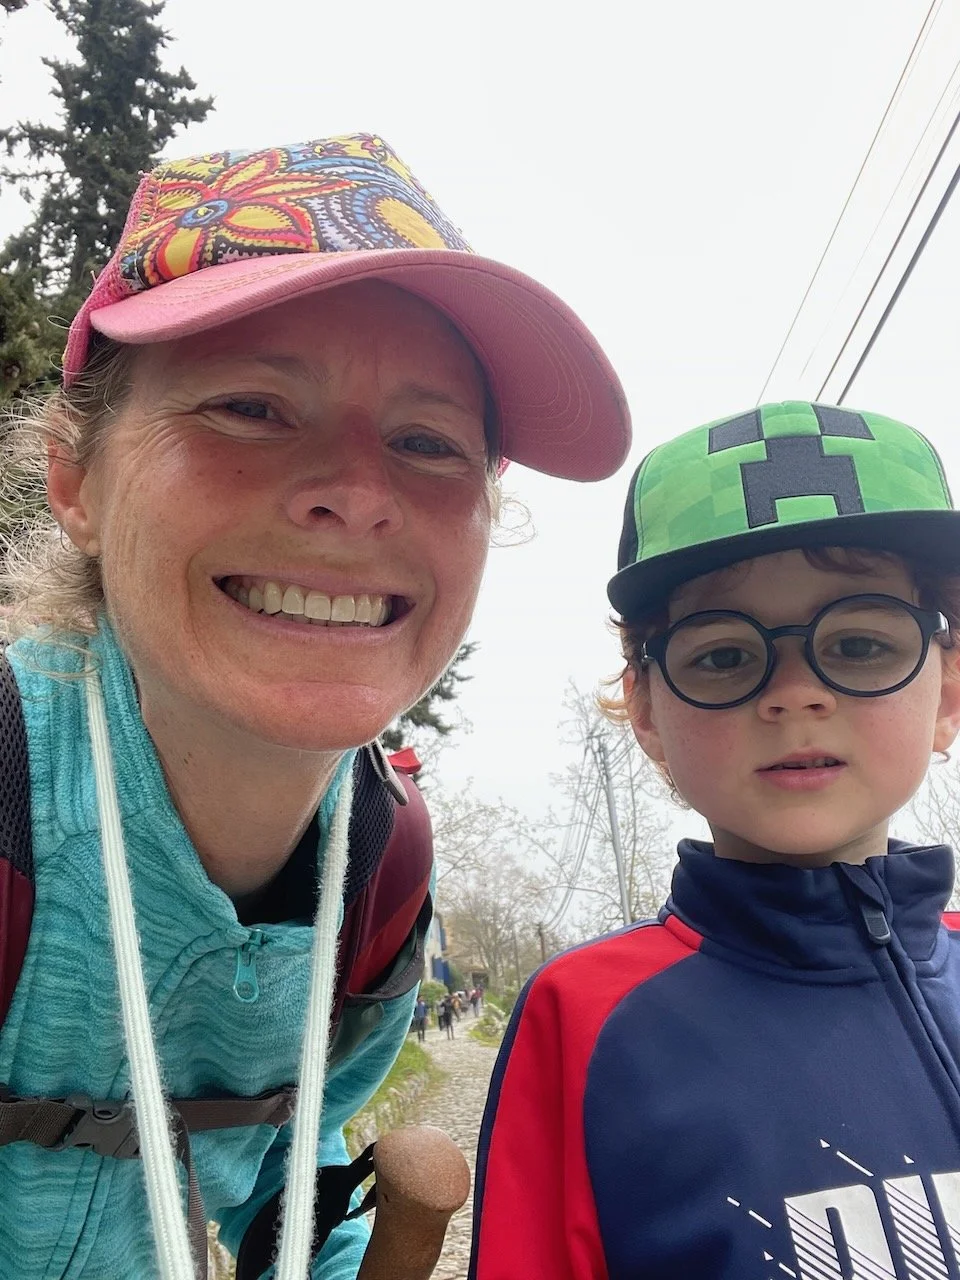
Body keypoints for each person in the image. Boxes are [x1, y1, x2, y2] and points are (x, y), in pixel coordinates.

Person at [0, 132, 630, 1280]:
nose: (356, 492)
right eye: (251, 406)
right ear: (76, 478)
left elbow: (285, 1162)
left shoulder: (382, 872)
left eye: (428, 440)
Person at [470, 401, 960, 1280]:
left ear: (949, 692)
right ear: (646, 710)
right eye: (725, 656)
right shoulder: (585, 1018)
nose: (796, 693)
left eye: (859, 643)